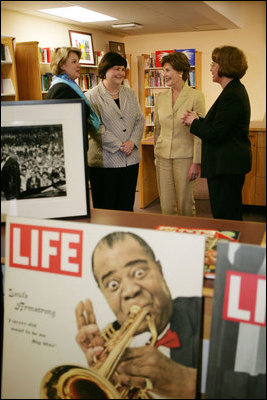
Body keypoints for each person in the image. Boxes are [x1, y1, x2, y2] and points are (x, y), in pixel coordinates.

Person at [75, 231, 201, 399]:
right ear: (103, 293)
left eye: (139, 272)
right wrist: (102, 382)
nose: (130, 291)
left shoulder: (203, 314)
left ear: (160, 270)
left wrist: (188, 383)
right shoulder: (108, 339)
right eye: (113, 284)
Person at [181, 46, 251, 220]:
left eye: (213, 64)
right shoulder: (232, 91)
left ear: (224, 66)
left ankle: (229, 246)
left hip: (226, 166)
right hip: (226, 165)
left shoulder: (232, 95)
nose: (211, 69)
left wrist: (194, 122)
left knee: (226, 216)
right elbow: (221, 126)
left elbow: (216, 134)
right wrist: (200, 119)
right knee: (226, 213)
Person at [85, 52, 145, 211]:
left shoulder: (130, 93)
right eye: (116, 68)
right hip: (105, 162)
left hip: (130, 159)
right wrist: (120, 145)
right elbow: (95, 127)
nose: (120, 73)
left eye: (123, 69)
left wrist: (132, 142)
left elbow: (140, 119)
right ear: (105, 70)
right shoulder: (91, 96)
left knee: (126, 204)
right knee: (106, 207)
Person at [154, 51, 205, 216]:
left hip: (185, 157)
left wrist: (196, 162)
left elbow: (200, 132)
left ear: (181, 72)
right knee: (167, 207)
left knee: (185, 205)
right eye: (164, 70)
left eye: (168, 70)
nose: (164, 74)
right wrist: (156, 154)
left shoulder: (196, 96)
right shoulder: (160, 97)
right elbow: (157, 129)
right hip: (162, 157)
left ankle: (189, 239)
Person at [47, 47, 100, 135]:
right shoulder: (60, 90)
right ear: (61, 65)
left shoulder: (69, 85)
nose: (79, 65)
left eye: (78, 61)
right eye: (74, 62)